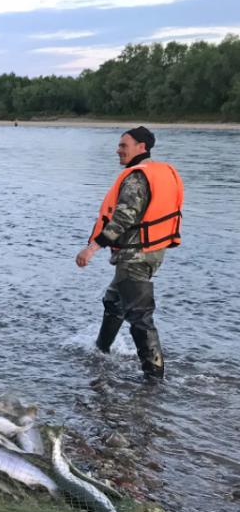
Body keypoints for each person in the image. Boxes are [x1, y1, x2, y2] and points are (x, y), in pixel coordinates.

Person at [75, 127, 184, 378]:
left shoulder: (137, 177)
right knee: (114, 301)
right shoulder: (161, 173)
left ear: (141, 148)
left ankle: (154, 377)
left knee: (140, 317)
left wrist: (92, 248)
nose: (118, 150)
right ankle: (101, 351)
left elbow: (123, 218)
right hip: (152, 252)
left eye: (124, 145)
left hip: (135, 256)